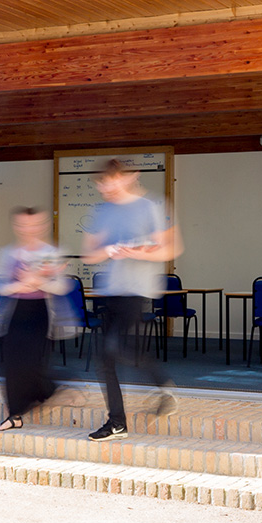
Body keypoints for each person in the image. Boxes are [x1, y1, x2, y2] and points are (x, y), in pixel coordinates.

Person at [81, 159, 181, 440]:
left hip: (137, 290)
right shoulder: (101, 211)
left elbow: (170, 249)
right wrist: (111, 249)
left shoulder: (150, 207)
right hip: (111, 290)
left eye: (110, 182)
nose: (104, 188)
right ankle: (119, 421)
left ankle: (148, 396)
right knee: (109, 357)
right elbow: (90, 255)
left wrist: (136, 251)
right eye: (101, 183)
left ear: (128, 178)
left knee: (113, 349)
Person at [0, 206, 71, 431]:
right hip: (15, 312)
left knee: (33, 363)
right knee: (11, 363)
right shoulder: (8, 253)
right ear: (16, 226)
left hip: (40, 313)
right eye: (23, 225)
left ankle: (46, 389)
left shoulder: (50, 253)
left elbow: (62, 286)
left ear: (42, 226)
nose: (28, 229)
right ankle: (14, 414)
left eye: (33, 224)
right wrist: (20, 284)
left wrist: (38, 282)